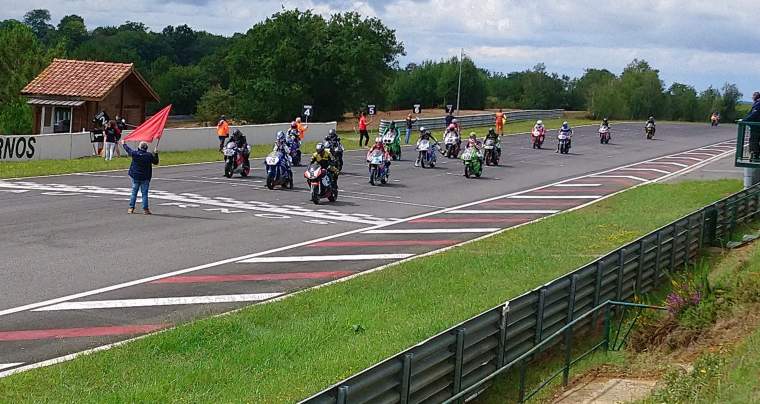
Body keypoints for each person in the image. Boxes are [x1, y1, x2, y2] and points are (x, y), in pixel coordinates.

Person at [120, 140, 159, 215]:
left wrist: (124, 144)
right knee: (144, 193)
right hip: (145, 177)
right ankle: (145, 209)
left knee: (134, 192)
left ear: (139, 147)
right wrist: (156, 153)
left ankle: (131, 208)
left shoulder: (135, 154)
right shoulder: (149, 155)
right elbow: (156, 162)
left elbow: (128, 150)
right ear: (146, 148)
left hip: (135, 176)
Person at [744, 92, 760, 160]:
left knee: (754, 140)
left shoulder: (758, 104)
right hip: (755, 126)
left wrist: (744, 120)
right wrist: (745, 118)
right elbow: (750, 113)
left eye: (753, 96)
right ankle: (755, 154)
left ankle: (755, 155)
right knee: (754, 140)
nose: (752, 97)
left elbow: (754, 114)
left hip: (756, 127)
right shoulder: (756, 103)